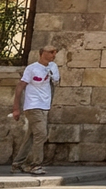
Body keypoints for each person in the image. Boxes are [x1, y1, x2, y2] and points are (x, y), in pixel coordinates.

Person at [11, 45, 59, 176]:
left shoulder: (53, 67)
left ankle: (18, 163)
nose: (53, 55)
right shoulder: (31, 68)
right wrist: (16, 108)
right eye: (50, 52)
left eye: (55, 52)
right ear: (42, 53)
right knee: (41, 134)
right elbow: (20, 86)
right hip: (33, 106)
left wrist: (50, 72)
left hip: (44, 106)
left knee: (31, 136)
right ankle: (36, 165)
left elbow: (56, 81)